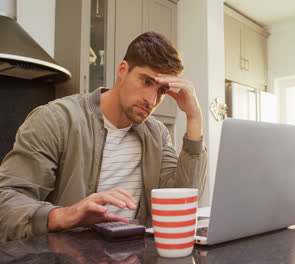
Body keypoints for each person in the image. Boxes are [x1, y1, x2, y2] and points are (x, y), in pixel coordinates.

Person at [0, 32, 207, 242]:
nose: (152, 100)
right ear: (122, 70)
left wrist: (194, 117)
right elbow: (6, 203)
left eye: (162, 90)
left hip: (135, 253)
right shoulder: (55, 120)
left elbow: (182, 200)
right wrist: (66, 215)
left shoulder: (157, 134)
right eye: (146, 82)